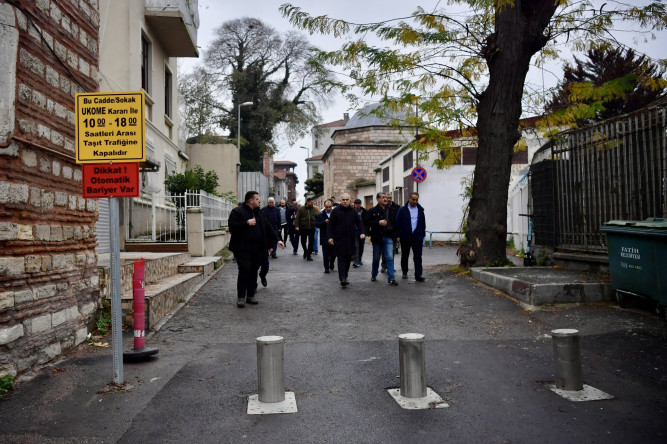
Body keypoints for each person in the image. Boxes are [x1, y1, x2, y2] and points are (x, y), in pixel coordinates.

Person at [228, 191, 284, 308]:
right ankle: (241, 297)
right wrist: (246, 223)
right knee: (245, 269)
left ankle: (251, 295)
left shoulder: (260, 213)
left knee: (254, 270)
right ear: (251, 200)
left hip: (257, 248)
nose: (259, 201)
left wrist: (277, 239)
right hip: (242, 248)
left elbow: (268, 227)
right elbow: (232, 226)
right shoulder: (237, 211)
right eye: (257, 199)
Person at [327, 193, 365, 286]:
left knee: (348, 259)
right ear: (340, 201)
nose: (345, 201)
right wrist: (330, 237)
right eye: (343, 200)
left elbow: (359, 223)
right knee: (341, 258)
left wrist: (362, 232)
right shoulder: (335, 211)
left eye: (346, 200)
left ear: (350, 200)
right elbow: (330, 225)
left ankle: (345, 275)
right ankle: (342, 278)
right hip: (338, 239)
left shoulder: (353, 211)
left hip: (350, 239)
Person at [366, 192, 399, 285]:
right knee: (376, 258)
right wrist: (378, 222)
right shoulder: (372, 210)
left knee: (389, 257)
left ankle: (391, 278)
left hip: (388, 237)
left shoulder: (391, 210)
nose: (385, 199)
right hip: (377, 238)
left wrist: (396, 235)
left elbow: (395, 223)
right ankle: (374, 274)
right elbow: (367, 222)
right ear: (378, 199)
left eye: (386, 197)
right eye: (383, 197)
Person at [396, 192, 426, 282]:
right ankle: (405, 271)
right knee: (405, 255)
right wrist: (398, 235)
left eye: (416, 199)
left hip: (417, 237)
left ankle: (418, 275)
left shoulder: (420, 210)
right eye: (413, 199)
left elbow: (423, 223)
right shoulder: (402, 210)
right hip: (405, 236)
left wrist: (422, 234)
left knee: (418, 256)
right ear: (409, 199)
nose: (415, 201)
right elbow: (398, 223)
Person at [316, 200, 336, 273]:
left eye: (329, 207)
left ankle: (331, 263)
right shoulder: (321, 214)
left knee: (334, 253)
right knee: (325, 254)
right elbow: (317, 224)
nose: (328, 208)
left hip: (334, 236)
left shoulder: (335, 213)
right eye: (327, 207)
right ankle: (326, 268)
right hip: (324, 236)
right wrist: (324, 222)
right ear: (324, 207)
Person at [352, 198, 368, 267]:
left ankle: (359, 259)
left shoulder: (364, 211)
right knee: (356, 246)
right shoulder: (351, 211)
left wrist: (366, 231)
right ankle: (356, 260)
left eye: (359, 204)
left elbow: (367, 222)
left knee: (361, 246)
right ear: (354, 204)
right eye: (356, 204)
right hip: (354, 231)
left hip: (362, 231)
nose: (357, 205)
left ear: (360, 204)